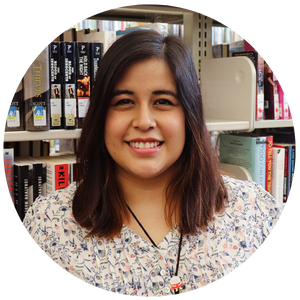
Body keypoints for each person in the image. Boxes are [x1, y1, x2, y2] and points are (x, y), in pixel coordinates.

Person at [23, 30, 281, 297]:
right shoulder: (47, 223)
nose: (144, 121)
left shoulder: (254, 212)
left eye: (162, 102)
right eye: (124, 102)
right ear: (100, 117)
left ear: (189, 115)